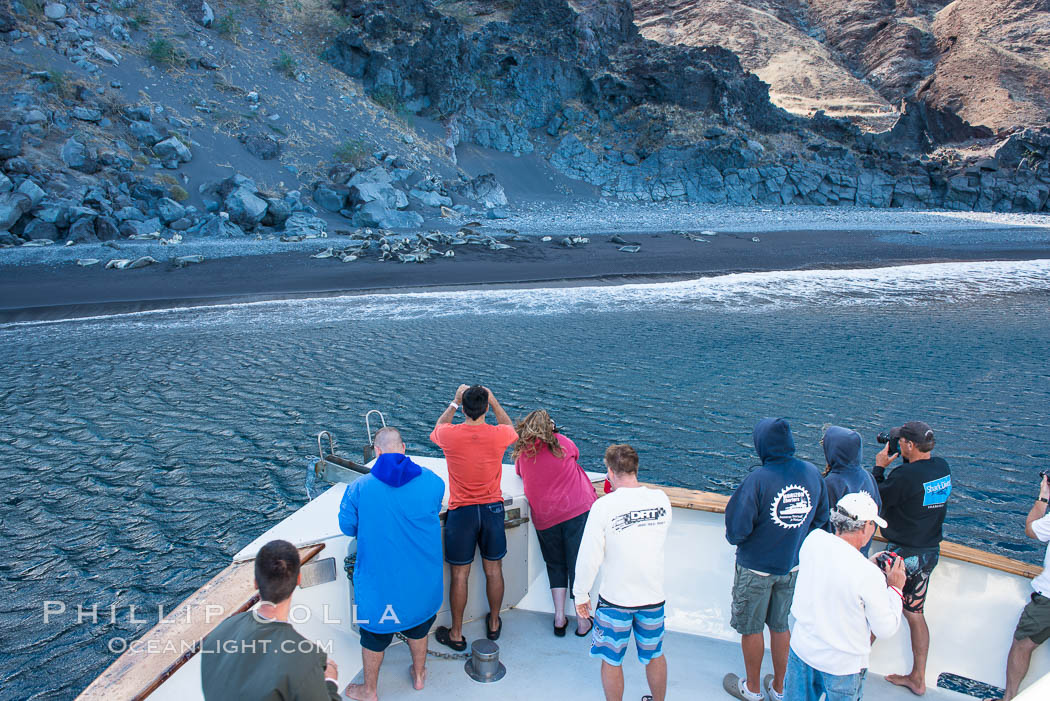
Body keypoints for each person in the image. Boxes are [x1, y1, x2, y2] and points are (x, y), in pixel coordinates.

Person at [723, 417, 830, 701]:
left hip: (756, 568)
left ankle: (753, 689)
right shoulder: (811, 473)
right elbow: (821, 520)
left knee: (751, 628)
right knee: (780, 626)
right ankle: (781, 688)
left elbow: (737, 531)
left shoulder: (757, 479)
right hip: (791, 566)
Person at [337, 427, 445, 701]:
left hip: (379, 587)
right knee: (419, 627)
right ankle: (419, 675)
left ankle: (370, 690)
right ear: (404, 448)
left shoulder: (358, 489)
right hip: (422, 584)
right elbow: (433, 508)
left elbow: (348, 527)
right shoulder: (433, 481)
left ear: (377, 452)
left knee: (373, 637)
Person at [574, 444, 672, 701]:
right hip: (652, 598)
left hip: (616, 600)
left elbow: (589, 556)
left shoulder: (604, 507)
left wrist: (581, 593)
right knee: (654, 654)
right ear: (636, 469)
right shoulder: (661, 500)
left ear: (610, 471)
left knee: (611, 660)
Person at [786, 492, 906, 701]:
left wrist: (868, 564)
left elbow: (836, 570)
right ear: (867, 525)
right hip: (842, 666)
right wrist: (895, 588)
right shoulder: (868, 575)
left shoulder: (813, 540)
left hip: (803, 650)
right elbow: (885, 629)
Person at [430, 384, 518, 650]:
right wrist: (494, 400)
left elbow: (438, 426)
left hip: (462, 512)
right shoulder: (498, 435)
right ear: (486, 409)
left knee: (459, 575)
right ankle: (493, 623)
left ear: (465, 409)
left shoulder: (450, 435)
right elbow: (510, 427)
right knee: (494, 570)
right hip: (491, 510)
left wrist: (454, 402)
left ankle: (456, 633)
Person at [200, 539, 340, 701]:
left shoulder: (218, 633)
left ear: (255, 583)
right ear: (298, 580)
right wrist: (330, 682)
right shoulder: (305, 658)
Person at [874, 420, 951, 696]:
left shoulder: (904, 477)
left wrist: (880, 467)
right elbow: (916, 484)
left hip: (903, 554)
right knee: (914, 613)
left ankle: (851, 668)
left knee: (873, 607)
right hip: (929, 552)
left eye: (900, 442)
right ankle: (918, 678)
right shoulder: (941, 467)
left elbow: (877, 498)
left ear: (909, 445)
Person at [513, 409, 597, 636]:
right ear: (550, 426)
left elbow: (520, 473)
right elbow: (576, 456)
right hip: (575, 511)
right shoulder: (564, 443)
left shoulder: (524, 453)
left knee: (555, 565)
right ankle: (582, 621)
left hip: (545, 518)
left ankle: (559, 618)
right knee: (577, 565)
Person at [998, 473, 1050, 700]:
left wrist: (1043, 497)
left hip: (1047, 597)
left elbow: (1031, 529)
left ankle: (1009, 698)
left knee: (1022, 644)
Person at [822, 425, 881, 556]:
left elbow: (825, 522)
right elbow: (877, 511)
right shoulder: (868, 476)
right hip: (860, 552)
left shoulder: (832, 482)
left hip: (836, 555)